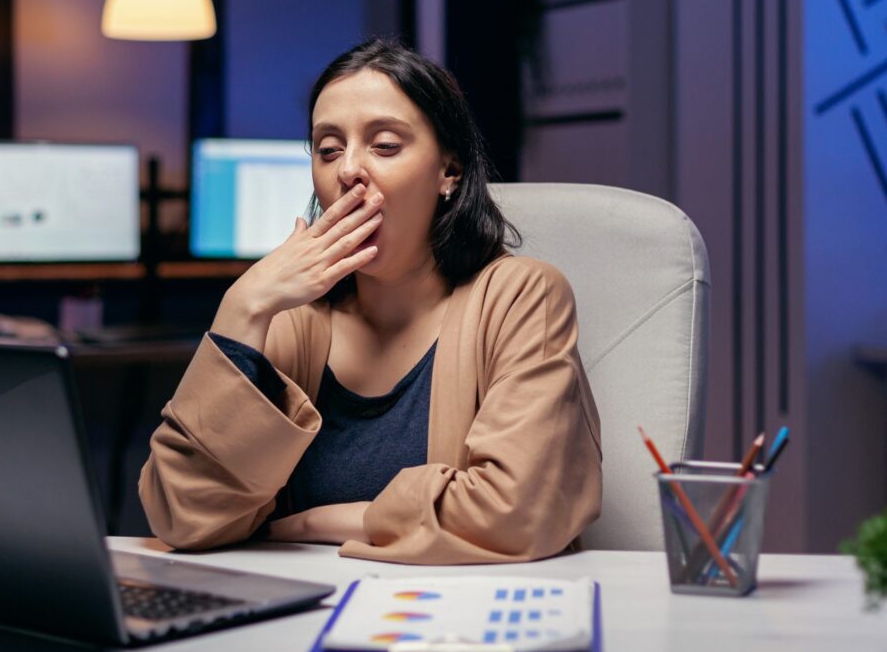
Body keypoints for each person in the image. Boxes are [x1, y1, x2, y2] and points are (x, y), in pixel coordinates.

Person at [139, 39, 601, 564]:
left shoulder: (521, 297)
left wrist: (329, 520)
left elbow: (517, 512)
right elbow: (180, 514)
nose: (347, 171)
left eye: (384, 146)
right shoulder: (291, 322)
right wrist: (242, 308)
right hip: (290, 620)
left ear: (449, 171)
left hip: (453, 624)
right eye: (328, 149)